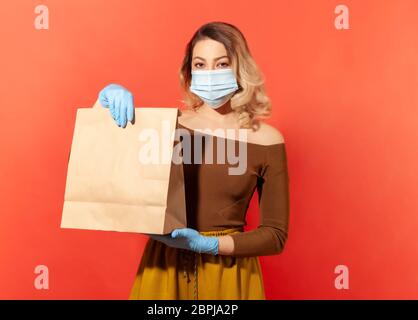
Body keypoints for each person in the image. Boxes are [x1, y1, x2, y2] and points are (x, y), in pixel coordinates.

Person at [98, 21, 290, 300]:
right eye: (200, 65)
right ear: (189, 72)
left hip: (230, 274)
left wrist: (208, 245)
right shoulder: (166, 128)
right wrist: (102, 106)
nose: (210, 73)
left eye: (221, 63)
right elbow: (105, 170)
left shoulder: (267, 140)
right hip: (164, 268)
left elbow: (275, 235)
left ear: (240, 69)